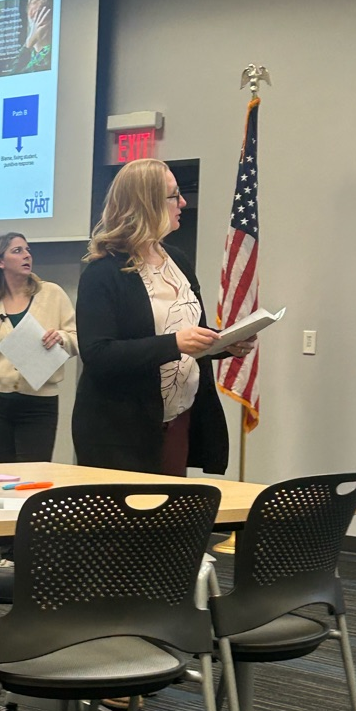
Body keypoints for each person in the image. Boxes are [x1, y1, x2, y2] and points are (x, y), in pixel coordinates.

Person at [72, 157, 254, 477]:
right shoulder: (104, 271)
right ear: (147, 203)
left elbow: (186, 332)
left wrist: (224, 343)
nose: (182, 202)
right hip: (120, 431)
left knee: (169, 519)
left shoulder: (177, 260)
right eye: (174, 195)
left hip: (177, 419)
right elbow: (98, 353)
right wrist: (175, 344)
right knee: (134, 524)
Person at [0, 232, 78, 463]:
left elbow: (78, 338)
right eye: (17, 251)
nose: (26, 255)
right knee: (0, 474)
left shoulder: (52, 294)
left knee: (33, 473)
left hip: (39, 402)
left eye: (28, 250)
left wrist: (61, 338)